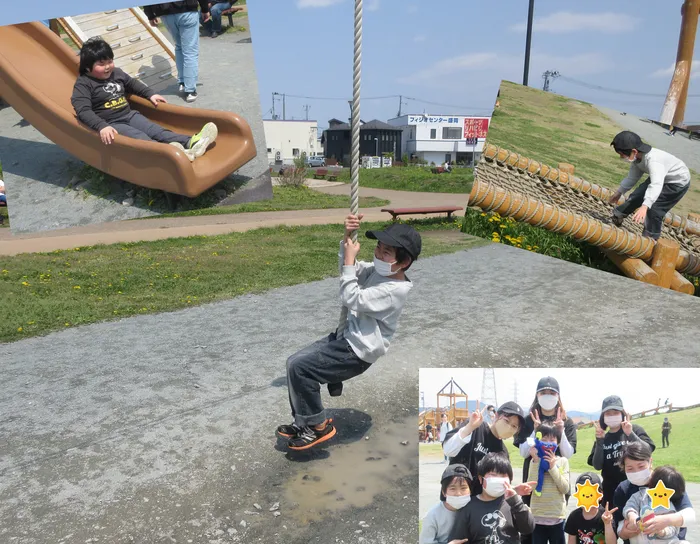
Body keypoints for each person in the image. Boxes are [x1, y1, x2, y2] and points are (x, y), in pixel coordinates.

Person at [276, 215, 422, 450]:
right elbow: (347, 269)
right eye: (378, 248)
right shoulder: (378, 271)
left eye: (386, 253)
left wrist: (350, 262)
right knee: (294, 362)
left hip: (357, 351)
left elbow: (351, 297)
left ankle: (318, 426)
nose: (378, 255)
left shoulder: (394, 290)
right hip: (345, 338)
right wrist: (346, 239)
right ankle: (305, 420)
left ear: (403, 262)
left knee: (300, 369)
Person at [71, 37, 217, 161]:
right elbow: (82, 109)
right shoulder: (84, 83)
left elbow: (132, 84)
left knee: (157, 131)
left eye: (109, 61)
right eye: (101, 64)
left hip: (129, 115)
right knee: (141, 137)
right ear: (88, 67)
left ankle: (192, 142)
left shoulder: (117, 73)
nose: (107, 67)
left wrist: (150, 94)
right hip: (112, 123)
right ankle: (173, 154)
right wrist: (101, 126)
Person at [514, 377, 577, 544]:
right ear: (537, 395)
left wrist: (561, 430)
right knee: (530, 531)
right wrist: (535, 432)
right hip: (533, 484)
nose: (547, 395)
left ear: (558, 396)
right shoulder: (528, 420)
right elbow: (523, 452)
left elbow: (568, 453)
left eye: (552, 392)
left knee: (556, 530)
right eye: (543, 392)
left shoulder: (567, 421)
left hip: (557, 485)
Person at [608, 131, 691, 240]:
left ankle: (650, 237)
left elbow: (656, 184)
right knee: (637, 195)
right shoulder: (637, 158)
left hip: (677, 182)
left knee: (655, 209)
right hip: (661, 176)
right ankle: (618, 215)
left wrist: (645, 206)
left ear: (634, 151)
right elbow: (632, 178)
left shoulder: (654, 161)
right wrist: (619, 192)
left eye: (622, 155)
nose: (621, 157)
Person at [443, 401, 535, 496]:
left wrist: (514, 489)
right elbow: (448, 450)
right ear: (496, 416)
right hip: (455, 498)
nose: (509, 427)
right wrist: (470, 427)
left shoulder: (503, 452)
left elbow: (497, 484)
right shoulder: (476, 427)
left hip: (479, 505)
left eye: (514, 426)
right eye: (507, 421)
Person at [613, 442, 695, 543]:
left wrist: (664, 521)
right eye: (630, 468)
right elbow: (620, 530)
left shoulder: (666, 480)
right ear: (623, 467)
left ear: (650, 462)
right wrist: (626, 531)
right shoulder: (623, 489)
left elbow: (690, 516)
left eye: (641, 466)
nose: (636, 472)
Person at [448, 452, 536, 544]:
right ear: (481, 479)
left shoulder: (513, 503)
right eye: (493, 475)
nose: (498, 479)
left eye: (503, 476)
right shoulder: (468, 507)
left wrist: (517, 503)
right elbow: (459, 539)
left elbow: (528, 528)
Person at [588, 395, 656, 508]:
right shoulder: (603, 437)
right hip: (611, 492)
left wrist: (630, 433)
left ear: (622, 413)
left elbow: (648, 450)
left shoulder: (635, 429)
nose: (612, 416)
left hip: (637, 487)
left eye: (615, 412)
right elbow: (597, 465)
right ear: (603, 417)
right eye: (608, 413)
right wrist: (600, 441)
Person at [144, 1, 210, 103]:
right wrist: (205, 8)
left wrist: (150, 15)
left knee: (179, 47)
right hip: (187, 8)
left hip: (165, 12)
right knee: (190, 51)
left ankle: (182, 82)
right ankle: (190, 90)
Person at [622, 466, 690, 543]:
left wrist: (662, 531)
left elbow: (673, 530)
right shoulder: (640, 496)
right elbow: (629, 506)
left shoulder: (670, 506)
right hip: (640, 538)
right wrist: (632, 515)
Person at [528, 423, 570, 544]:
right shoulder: (534, 461)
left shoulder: (562, 461)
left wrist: (553, 467)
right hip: (537, 517)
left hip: (557, 517)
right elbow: (531, 486)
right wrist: (536, 461)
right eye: (544, 439)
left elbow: (565, 488)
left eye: (552, 440)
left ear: (557, 443)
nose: (547, 443)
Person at [420, 464, 473, 544]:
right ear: (444, 492)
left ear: (470, 490)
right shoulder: (433, 515)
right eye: (452, 488)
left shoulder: (474, 510)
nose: (458, 493)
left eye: (463, 488)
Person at [564, 472, 617, 544]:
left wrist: (607, 524)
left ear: (600, 494)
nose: (587, 497)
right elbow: (571, 541)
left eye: (591, 493)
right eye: (583, 494)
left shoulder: (605, 516)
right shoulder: (574, 516)